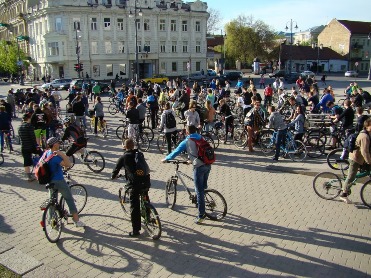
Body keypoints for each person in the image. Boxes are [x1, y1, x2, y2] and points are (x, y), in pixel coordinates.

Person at [161, 125, 211, 224]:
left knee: (199, 190)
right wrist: (190, 160)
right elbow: (199, 151)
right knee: (203, 187)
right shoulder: (200, 137)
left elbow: (176, 152)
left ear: (187, 132)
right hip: (208, 164)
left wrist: (166, 159)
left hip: (199, 167)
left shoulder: (187, 141)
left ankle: (201, 215)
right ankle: (200, 202)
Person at [111, 138, 150, 236]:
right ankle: (148, 216)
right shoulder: (139, 154)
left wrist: (113, 176)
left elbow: (116, 170)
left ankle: (136, 230)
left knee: (134, 206)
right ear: (133, 146)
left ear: (125, 147)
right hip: (146, 181)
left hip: (134, 184)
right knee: (145, 196)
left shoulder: (124, 157)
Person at [45, 137, 85, 227]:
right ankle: (76, 221)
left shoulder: (47, 153)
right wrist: (61, 154)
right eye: (58, 143)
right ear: (55, 145)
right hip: (58, 180)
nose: (59, 144)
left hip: (49, 180)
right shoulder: (55, 156)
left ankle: (52, 221)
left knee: (52, 200)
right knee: (69, 199)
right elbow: (68, 164)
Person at [339, 118, 371, 204]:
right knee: (351, 176)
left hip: (361, 158)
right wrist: (369, 161)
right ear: (367, 126)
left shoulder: (368, 134)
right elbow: (364, 151)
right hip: (355, 158)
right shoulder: (364, 136)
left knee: (367, 170)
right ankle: (343, 194)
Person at [18, 113, 43, 181]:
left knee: (26, 161)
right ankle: (41, 170)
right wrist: (36, 145)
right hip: (31, 146)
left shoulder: (19, 127)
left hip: (24, 147)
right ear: (29, 119)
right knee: (42, 155)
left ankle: (29, 176)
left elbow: (20, 137)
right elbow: (33, 137)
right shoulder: (29, 126)